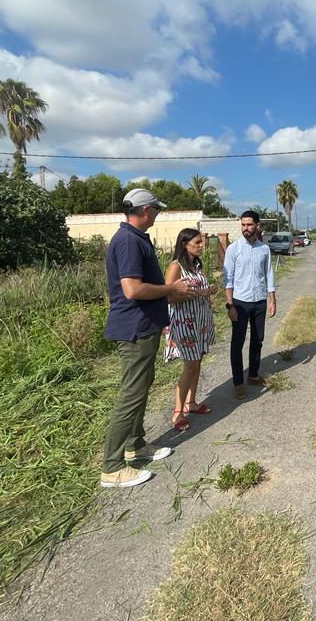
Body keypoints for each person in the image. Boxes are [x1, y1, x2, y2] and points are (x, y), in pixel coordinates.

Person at [100, 188, 195, 488]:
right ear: (144, 211)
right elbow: (132, 290)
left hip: (144, 326)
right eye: (155, 209)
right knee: (131, 394)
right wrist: (171, 290)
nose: (156, 215)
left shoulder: (134, 238)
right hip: (134, 328)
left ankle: (136, 447)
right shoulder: (128, 241)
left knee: (141, 388)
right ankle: (112, 467)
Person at [164, 227, 219, 430]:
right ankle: (177, 413)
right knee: (190, 366)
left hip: (200, 321)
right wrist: (199, 293)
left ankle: (191, 402)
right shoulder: (175, 266)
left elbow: (198, 289)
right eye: (197, 242)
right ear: (184, 244)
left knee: (198, 363)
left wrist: (208, 291)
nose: (201, 245)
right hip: (184, 322)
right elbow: (168, 296)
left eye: (201, 241)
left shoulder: (196, 266)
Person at [223, 210, 277, 398]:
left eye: (249, 225)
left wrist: (272, 299)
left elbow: (269, 274)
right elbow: (227, 279)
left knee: (258, 339)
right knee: (237, 342)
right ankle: (238, 382)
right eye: (243, 225)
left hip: (259, 302)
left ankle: (253, 374)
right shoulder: (233, 249)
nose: (245, 228)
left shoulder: (264, 249)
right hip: (240, 302)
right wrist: (230, 306)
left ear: (257, 226)